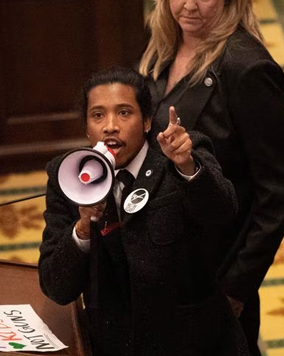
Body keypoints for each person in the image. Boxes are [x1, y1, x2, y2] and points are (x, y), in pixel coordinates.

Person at [138, 0, 284, 353]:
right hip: (162, 257)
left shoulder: (247, 68)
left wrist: (237, 285)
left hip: (213, 270)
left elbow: (278, 189)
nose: (188, 6)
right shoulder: (165, 38)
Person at [38, 67, 249, 356]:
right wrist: (83, 228)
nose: (110, 126)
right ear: (87, 128)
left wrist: (187, 167)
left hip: (194, 342)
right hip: (114, 344)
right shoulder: (68, 177)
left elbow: (223, 213)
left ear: (147, 121)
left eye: (124, 113)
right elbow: (56, 287)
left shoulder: (178, 155)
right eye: (98, 115)